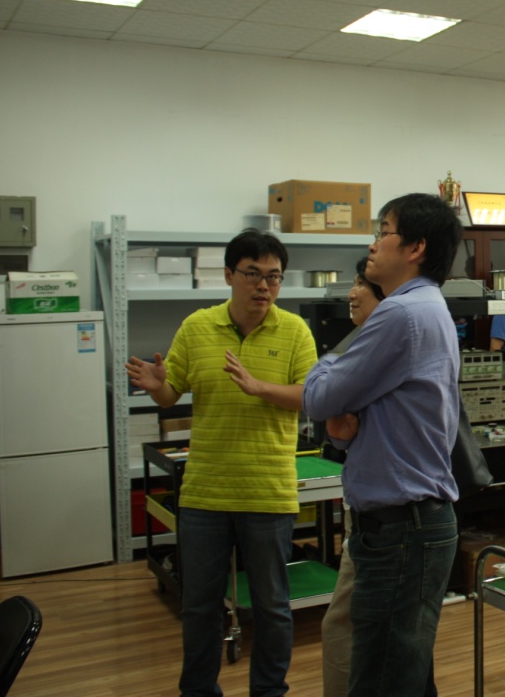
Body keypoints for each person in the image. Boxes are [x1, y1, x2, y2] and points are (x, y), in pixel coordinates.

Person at [125, 229, 316, 697]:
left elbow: (310, 398)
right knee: (199, 606)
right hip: (205, 491)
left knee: (272, 605)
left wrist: (258, 387)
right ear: (229, 275)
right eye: (253, 274)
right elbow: (172, 392)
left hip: (267, 490)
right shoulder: (197, 327)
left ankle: (268, 691)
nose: (264, 287)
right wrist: (158, 387)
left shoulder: (295, 331)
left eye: (274, 277)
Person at [302, 193, 462, 697]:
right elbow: (348, 422)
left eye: (383, 231)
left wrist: (329, 359)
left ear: (416, 247)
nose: (372, 245)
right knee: (402, 672)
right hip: (407, 525)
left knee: (382, 678)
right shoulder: (426, 307)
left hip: (401, 530)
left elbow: (319, 397)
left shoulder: (400, 314)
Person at [322, 258, 385, 697]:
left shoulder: (379, 346)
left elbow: (321, 397)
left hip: (387, 518)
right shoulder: (363, 344)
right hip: (366, 509)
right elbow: (341, 427)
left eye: (362, 284)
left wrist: (323, 376)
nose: (351, 292)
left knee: (345, 626)